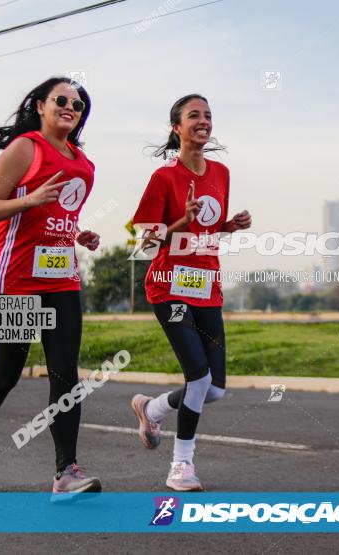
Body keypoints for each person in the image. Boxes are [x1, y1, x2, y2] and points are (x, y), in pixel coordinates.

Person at [0, 77, 102, 497]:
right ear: (40, 105)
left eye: (78, 104)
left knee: (66, 376)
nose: (70, 107)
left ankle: (65, 472)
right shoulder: (24, 148)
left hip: (60, 277)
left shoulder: (83, 162)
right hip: (13, 278)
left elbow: (57, 215)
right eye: (61, 100)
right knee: (7, 374)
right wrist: (29, 200)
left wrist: (78, 236)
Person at [130, 94, 251, 491]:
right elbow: (145, 244)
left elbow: (207, 233)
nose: (203, 121)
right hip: (169, 288)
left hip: (207, 287)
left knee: (214, 389)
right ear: (176, 128)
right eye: (194, 115)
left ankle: (152, 408)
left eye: (208, 115)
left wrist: (229, 227)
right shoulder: (164, 178)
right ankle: (181, 466)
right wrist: (181, 220)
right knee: (197, 378)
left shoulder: (221, 173)